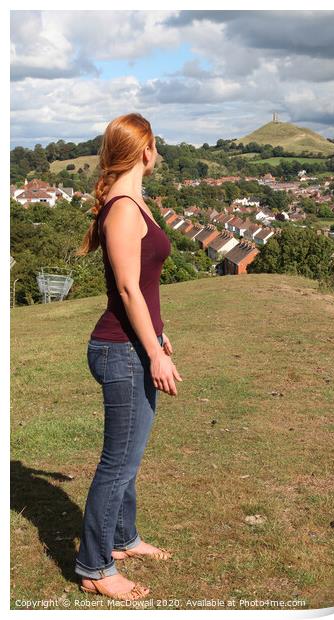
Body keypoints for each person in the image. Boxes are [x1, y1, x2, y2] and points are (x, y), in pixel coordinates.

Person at [74, 112, 183, 600]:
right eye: (156, 146)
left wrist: (159, 337)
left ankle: (123, 539)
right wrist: (154, 351)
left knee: (128, 458)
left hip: (134, 344)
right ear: (147, 149)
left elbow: (144, 285)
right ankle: (95, 567)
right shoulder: (121, 207)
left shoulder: (136, 201)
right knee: (117, 462)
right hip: (120, 350)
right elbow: (125, 289)